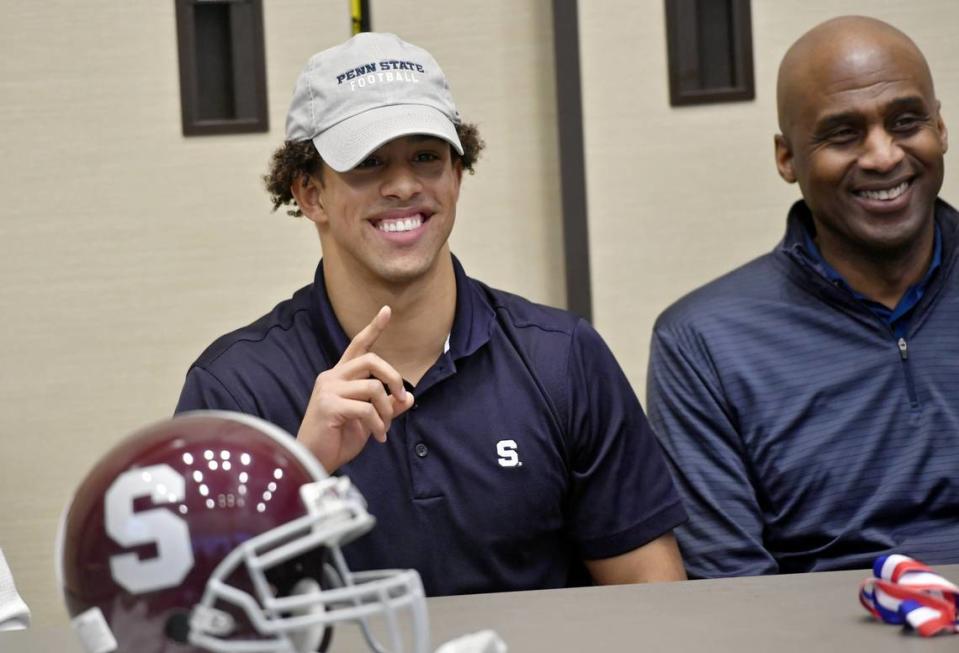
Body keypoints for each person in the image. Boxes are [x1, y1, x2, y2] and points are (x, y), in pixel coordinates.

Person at [177, 32, 686, 595]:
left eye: (426, 157)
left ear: (458, 176)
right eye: (368, 162)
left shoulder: (561, 357)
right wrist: (300, 472)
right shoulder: (234, 389)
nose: (402, 186)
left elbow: (651, 591)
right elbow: (196, 617)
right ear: (310, 193)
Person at [647, 16, 959, 579]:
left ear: (940, 128)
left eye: (906, 121)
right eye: (843, 134)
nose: (884, 156)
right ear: (787, 157)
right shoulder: (704, 342)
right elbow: (730, 584)